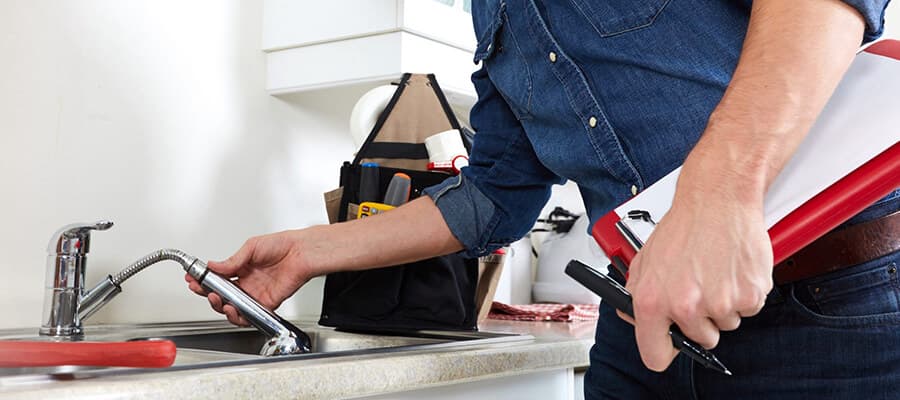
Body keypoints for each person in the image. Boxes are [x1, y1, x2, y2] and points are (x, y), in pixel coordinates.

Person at [187, 0, 899, 398]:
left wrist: (718, 194)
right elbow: (496, 194)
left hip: (837, 316)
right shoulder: (493, 13)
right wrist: (313, 251)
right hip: (638, 336)